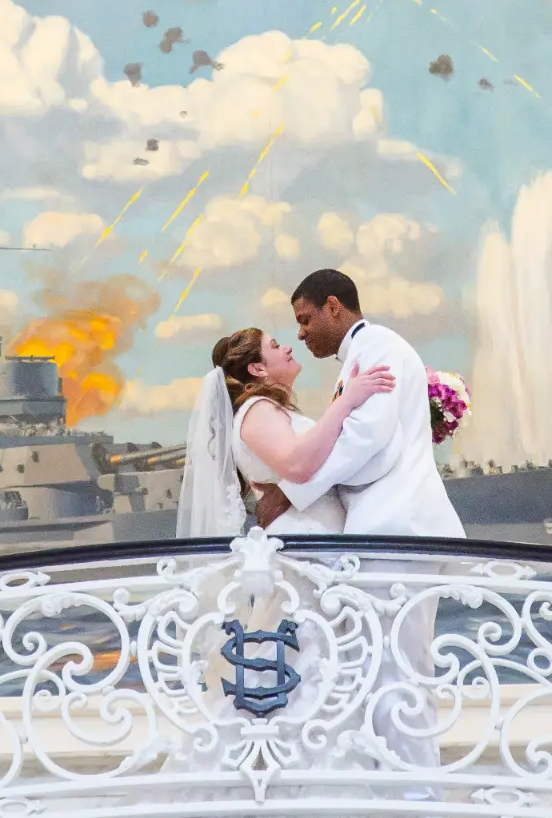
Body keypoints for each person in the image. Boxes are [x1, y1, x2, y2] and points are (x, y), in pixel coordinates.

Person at [274, 268, 461, 793]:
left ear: (334, 306)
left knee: (398, 669)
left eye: (306, 319)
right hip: (390, 531)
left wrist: (294, 488)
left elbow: (365, 443)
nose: (301, 334)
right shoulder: (365, 353)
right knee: (386, 666)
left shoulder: (376, 347)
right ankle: (401, 785)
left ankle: (419, 792)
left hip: (397, 529)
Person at [175, 328, 394, 537]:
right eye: (275, 346)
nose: (287, 348)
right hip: (303, 538)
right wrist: (346, 401)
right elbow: (296, 464)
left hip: (316, 535)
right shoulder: (257, 408)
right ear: (258, 369)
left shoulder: (268, 409)